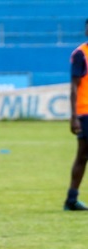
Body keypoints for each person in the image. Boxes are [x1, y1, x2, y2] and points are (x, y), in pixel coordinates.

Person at [64, 18, 88, 211]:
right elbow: (74, 86)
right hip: (85, 112)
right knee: (82, 155)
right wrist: (74, 116)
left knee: (83, 155)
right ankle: (71, 199)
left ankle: (71, 199)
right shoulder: (81, 53)